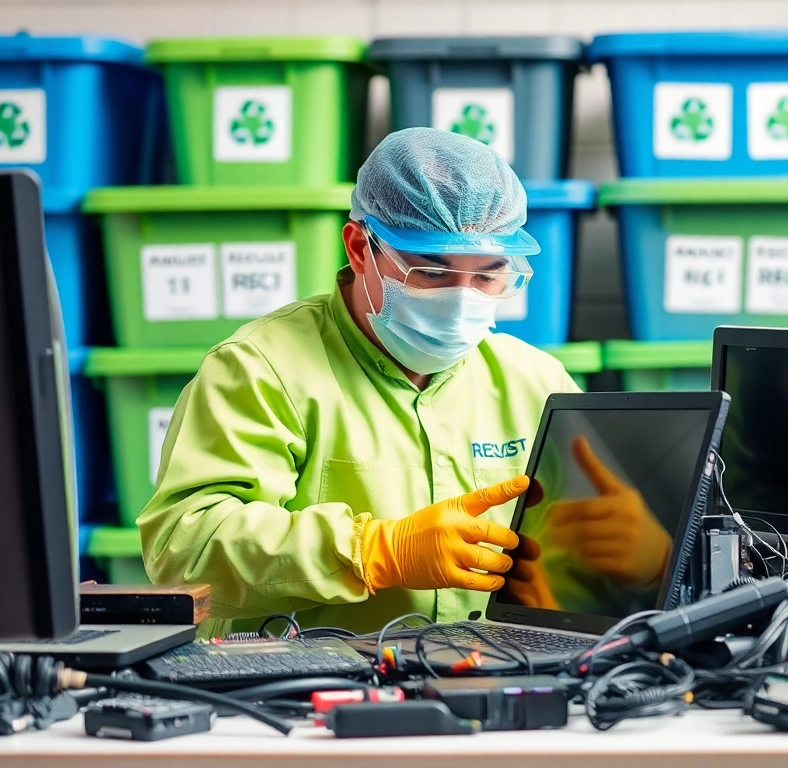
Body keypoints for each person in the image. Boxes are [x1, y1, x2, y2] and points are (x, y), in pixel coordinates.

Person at [138, 128, 582, 635]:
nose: (463, 301)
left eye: (487, 277)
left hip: (497, 673)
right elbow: (183, 546)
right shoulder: (260, 369)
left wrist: (635, 553)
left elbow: (582, 551)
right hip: (298, 691)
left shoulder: (537, 381)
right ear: (358, 248)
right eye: (431, 271)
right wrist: (372, 552)